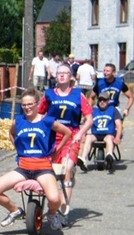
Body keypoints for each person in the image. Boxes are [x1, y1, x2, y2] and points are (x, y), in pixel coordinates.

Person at [0, 88, 71, 230]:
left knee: (55, 199)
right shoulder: (18, 121)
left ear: (37, 104)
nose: (27, 108)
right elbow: (11, 133)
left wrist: (55, 150)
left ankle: (51, 214)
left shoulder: (47, 121)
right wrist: (18, 149)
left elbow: (67, 132)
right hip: (23, 168)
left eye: (30, 104)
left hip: (43, 168)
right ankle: (15, 211)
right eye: (24, 105)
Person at [38, 64, 93, 215]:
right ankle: (48, 204)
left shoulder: (78, 95)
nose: (62, 75)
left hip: (71, 137)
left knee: (67, 169)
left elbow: (89, 119)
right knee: (47, 170)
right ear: (56, 76)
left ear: (71, 77)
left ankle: (63, 208)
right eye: (59, 73)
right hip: (51, 137)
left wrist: (80, 133)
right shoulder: (48, 95)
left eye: (65, 73)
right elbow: (38, 115)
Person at [81, 91, 123, 170]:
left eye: (104, 100)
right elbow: (86, 123)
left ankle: (109, 155)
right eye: (100, 100)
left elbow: (119, 125)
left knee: (109, 138)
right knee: (88, 137)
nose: (102, 102)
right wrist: (83, 135)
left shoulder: (113, 110)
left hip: (108, 134)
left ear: (108, 101)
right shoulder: (93, 110)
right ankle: (83, 159)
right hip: (96, 134)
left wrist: (117, 137)